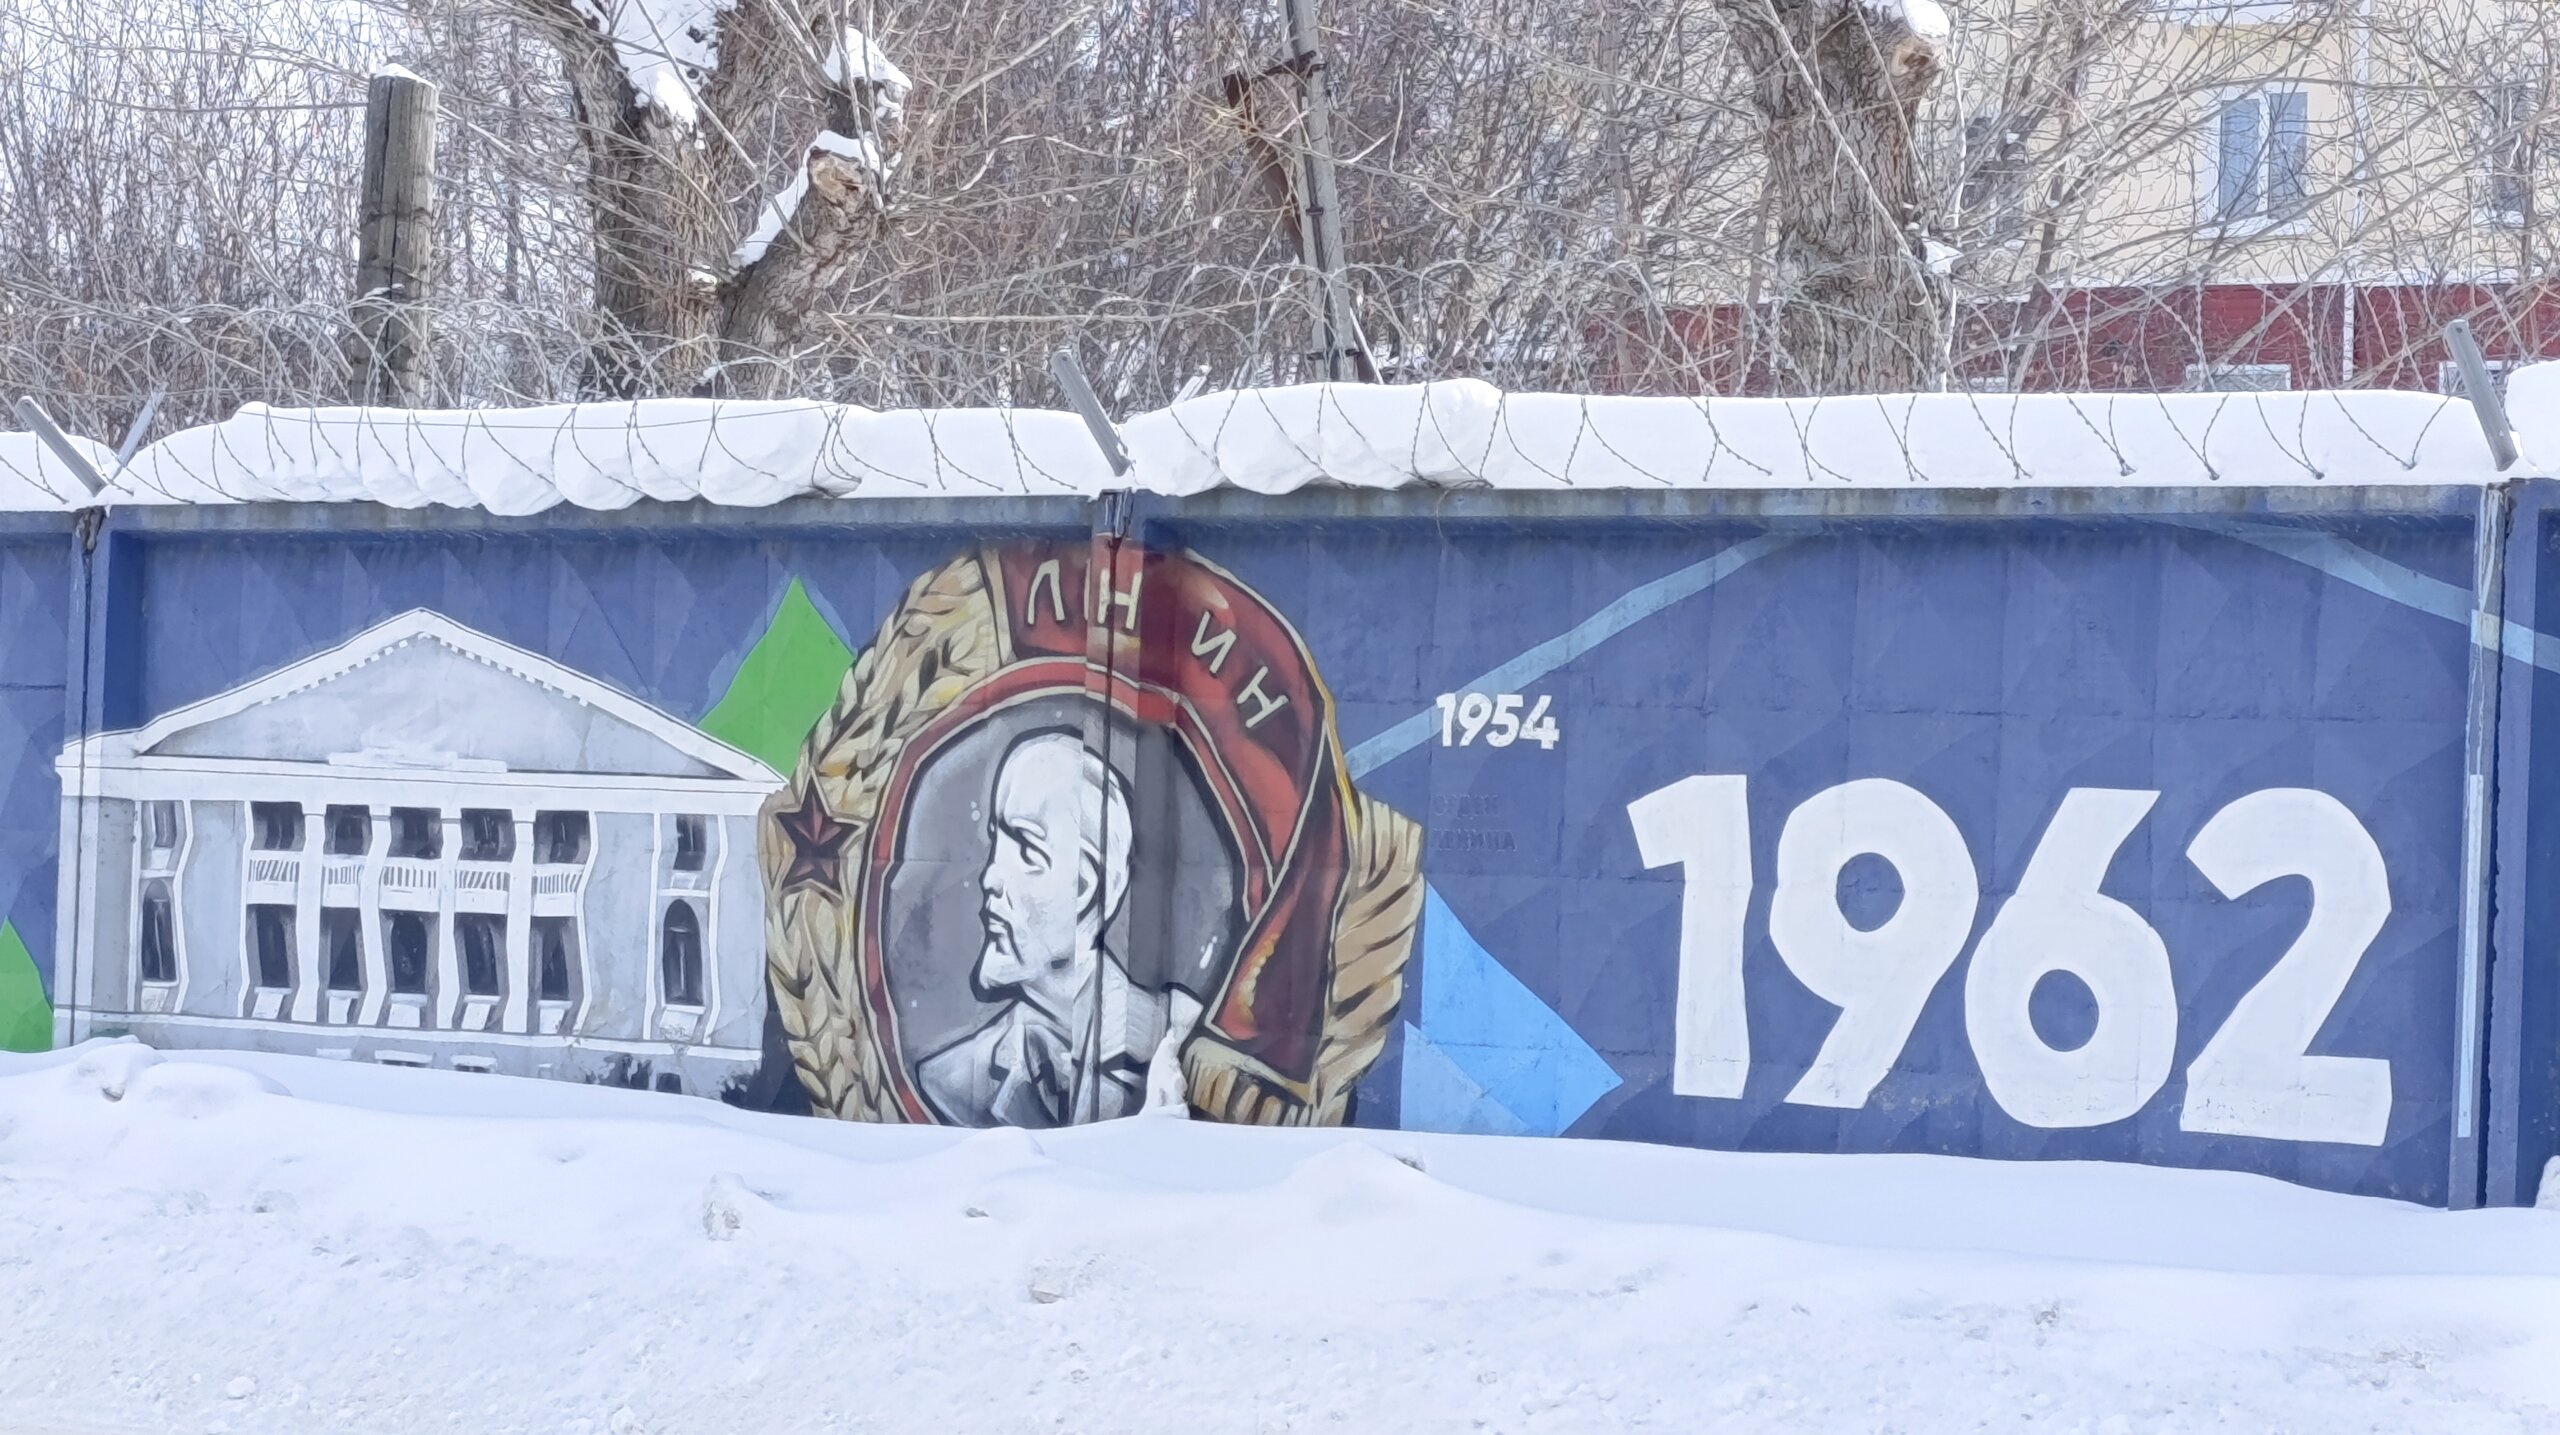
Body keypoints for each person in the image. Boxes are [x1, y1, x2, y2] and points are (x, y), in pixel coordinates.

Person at [917, 729, 1197, 1126]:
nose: (990, 877)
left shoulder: (1180, 1028)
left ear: (1083, 887)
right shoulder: (952, 1079)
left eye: (1026, 849)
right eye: (997, 841)